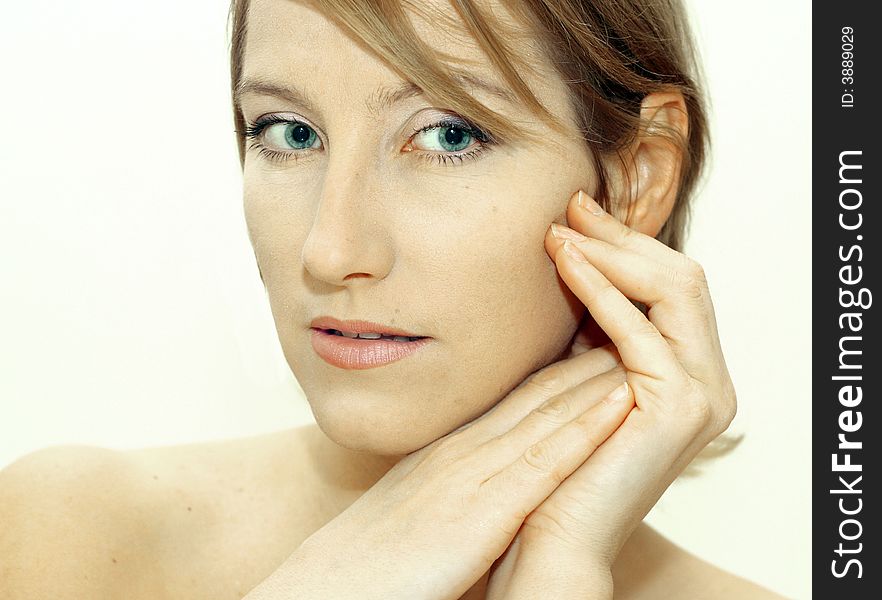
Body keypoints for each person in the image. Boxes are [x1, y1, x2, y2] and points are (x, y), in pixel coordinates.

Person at [0, 0, 787, 598]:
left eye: (447, 135)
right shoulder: (64, 541)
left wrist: (558, 566)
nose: (330, 250)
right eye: (288, 132)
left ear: (636, 178)